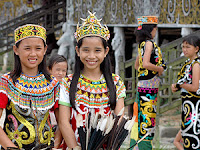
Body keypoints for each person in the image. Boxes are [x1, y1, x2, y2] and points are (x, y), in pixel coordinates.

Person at [58, 11, 126, 149]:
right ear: (78, 51)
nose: (91, 56)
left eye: (97, 50)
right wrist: (75, 147)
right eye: (86, 50)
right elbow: (63, 122)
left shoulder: (116, 82)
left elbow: (119, 120)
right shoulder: (67, 83)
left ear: (106, 51)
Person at [0, 24, 60, 150]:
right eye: (27, 48)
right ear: (16, 50)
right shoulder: (7, 82)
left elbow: (63, 122)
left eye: (38, 48)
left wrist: (56, 145)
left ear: (44, 50)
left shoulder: (52, 83)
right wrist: (11, 148)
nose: (33, 54)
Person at [130, 16, 166, 150]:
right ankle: (144, 147)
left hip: (142, 86)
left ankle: (136, 146)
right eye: (155, 29)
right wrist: (159, 69)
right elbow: (145, 64)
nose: (155, 31)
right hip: (149, 88)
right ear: (151, 30)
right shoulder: (149, 43)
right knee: (147, 120)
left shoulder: (142, 45)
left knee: (140, 118)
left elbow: (136, 66)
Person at [171, 36, 200, 150]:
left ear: (196, 49)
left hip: (195, 108)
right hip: (187, 107)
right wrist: (176, 87)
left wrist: (180, 85)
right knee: (187, 138)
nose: (185, 49)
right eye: (183, 47)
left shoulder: (196, 65)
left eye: (188, 47)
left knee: (193, 139)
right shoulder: (188, 64)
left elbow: (194, 87)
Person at [47, 54, 68, 149]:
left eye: (64, 70)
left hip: (62, 123)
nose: (61, 73)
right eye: (57, 70)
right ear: (49, 70)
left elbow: (61, 121)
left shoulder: (66, 87)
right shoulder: (45, 87)